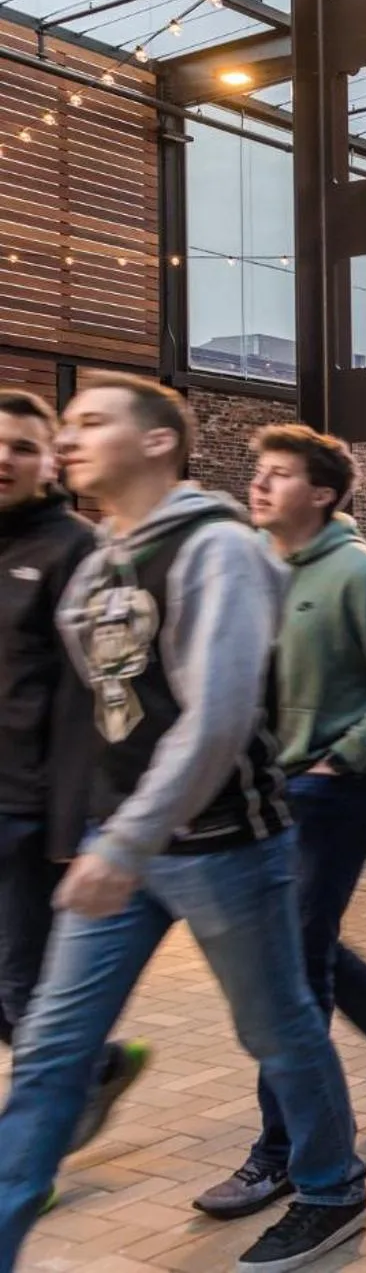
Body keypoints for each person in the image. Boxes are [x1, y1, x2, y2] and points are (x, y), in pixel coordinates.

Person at [0, 379, 366, 1270]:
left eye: (92, 422)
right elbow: (95, 712)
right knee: (50, 1047)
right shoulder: (97, 562)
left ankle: (331, 1187)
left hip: (223, 845)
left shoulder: (217, 548)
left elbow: (219, 714)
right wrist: (96, 830)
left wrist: (119, 838)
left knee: (277, 1026)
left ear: (159, 442)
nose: (69, 438)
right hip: (119, 845)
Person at [205, 425, 366, 1222]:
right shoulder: (262, 566)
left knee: (287, 969)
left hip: (339, 793)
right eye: (259, 472)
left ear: (321, 493)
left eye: (279, 474)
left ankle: (281, 1153)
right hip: (272, 789)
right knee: (302, 943)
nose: (260, 484)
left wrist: (342, 758)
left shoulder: (361, 574)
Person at [0, 390, 148, 1158]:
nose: (5, 458)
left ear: (49, 461)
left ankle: (30, 1156)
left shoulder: (75, 550)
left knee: (26, 986)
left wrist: (73, 825)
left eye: (22, 445)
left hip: (29, 811)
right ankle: (91, 1066)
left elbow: (90, 700)